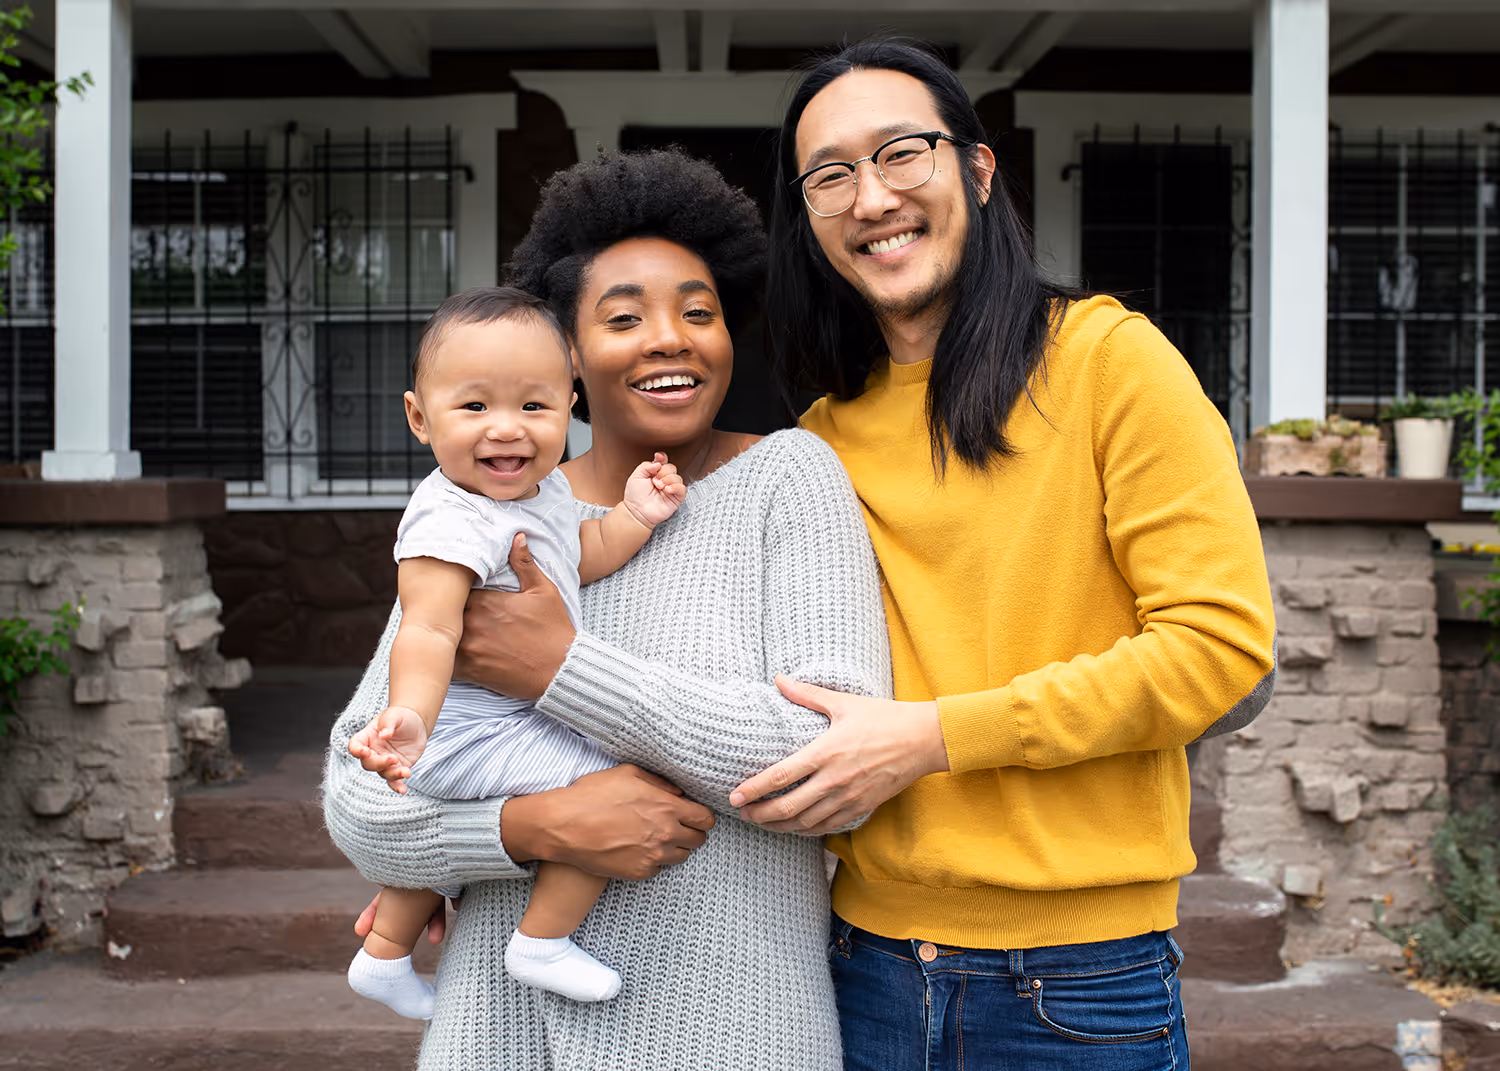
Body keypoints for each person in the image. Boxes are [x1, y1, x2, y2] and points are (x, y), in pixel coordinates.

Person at [733, 38, 1278, 1070]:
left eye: (903, 153)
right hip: (858, 966)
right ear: (809, 218)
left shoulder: (1109, 364)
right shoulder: (820, 440)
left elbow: (1218, 649)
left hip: (1077, 982)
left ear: (977, 173)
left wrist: (935, 737)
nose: (872, 197)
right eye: (831, 175)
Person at [320, 148, 892, 1070]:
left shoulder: (790, 477)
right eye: (624, 317)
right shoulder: (485, 508)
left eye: (699, 313)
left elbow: (828, 762)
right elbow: (362, 798)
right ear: (570, 356)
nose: (671, 337)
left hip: (733, 1029)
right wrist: (532, 827)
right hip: (493, 1034)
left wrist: (563, 670)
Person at [344, 286, 688, 1017]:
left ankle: (384, 954)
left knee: (558, 772)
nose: (507, 429)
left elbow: (580, 556)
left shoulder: (541, 497)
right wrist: (408, 714)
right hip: (463, 729)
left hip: (495, 725)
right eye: (474, 407)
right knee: (602, 781)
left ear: (570, 407)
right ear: (418, 416)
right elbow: (430, 629)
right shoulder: (451, 516)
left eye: (534, 406)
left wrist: (633, 515)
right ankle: (542, 938)